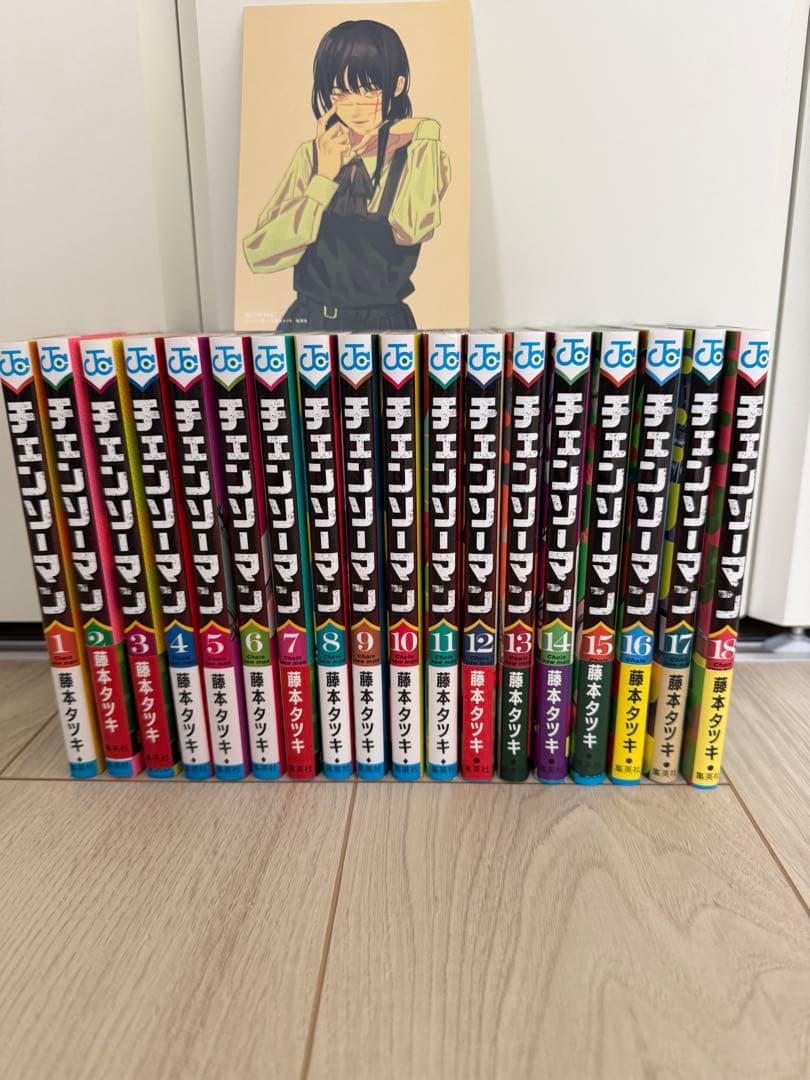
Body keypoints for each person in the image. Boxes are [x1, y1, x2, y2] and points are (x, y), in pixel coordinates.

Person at [243, 19, 451, 332]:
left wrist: (427, 131)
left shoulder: (421, 156)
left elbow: (411, 230)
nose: (355, 108)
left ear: (397, 86)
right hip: (312, 323)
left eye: (369, 91)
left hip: (387, 327)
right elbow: (260, 253)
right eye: (341, 93)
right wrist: (323, 180)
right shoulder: (311, 156)